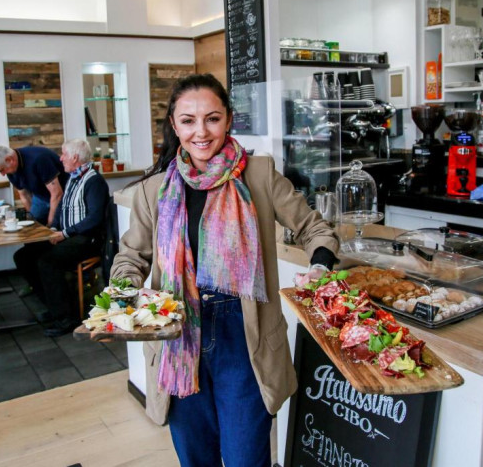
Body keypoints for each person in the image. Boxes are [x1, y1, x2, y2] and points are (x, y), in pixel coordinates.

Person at [110, 74, 338, 467]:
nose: (201, 131)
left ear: (229, 120)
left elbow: (315, 229)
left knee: (246, 459)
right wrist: (126, 292)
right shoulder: (154, 191)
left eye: (212, 118)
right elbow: (131, 258)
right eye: (188, 121)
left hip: (243, 336)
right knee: (196, 458)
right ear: (174, 125)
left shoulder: (260, 175)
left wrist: (319, 266)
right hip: (177, 333)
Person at [13, 139, 109, 337]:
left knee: (47, 262)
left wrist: (63, 234)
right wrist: (54, 229)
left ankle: (66, 318)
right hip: (69, 236)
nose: (60, 158)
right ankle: (54, 304)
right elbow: (61, 209)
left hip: (87, 240)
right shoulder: (72, 178)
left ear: (75, 158)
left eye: (63, 154)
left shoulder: (94, 181)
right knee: (23, 257)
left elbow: (95, 219)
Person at [0, 145, 69, 226]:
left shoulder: (39, 158)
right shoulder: (10, 170)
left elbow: (57, 194)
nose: (3, 174)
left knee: (57, 226)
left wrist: (51, 225)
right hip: (40, 196)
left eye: (2, 170)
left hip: (65, 195)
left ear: (9, 160)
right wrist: (32, 221)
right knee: (35, 225)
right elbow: (24, 195)